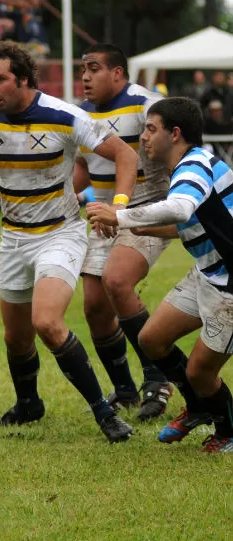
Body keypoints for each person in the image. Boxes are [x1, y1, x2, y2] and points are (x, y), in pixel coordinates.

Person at [0, 41, 138, 442]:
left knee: (46, 321)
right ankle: (29, 404)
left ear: (23, 79)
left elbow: (126, 156)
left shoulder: (64, 116)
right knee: (16, 337)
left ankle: (104, 414)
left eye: (0, 79)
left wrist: (118, 205)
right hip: (13, 238)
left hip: (59, 233)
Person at [85, 97, 233, 453]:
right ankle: (197, 407)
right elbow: (197, 220)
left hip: (230, 288)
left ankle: (228, 430)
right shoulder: (187, 167)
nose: (144, 138)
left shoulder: (193, 165)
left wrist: (119, 217)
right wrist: (146, 230)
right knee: (151, 339)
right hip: (208, 274)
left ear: (175, 133)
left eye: (151, 129)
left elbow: (180, 208)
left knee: (200, 372)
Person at [74, 43, 175, 421]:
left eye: (94, 68)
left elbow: (176, 143)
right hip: (104, 216)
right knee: (95, 308)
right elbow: (82, 170)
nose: (85, 76)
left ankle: (157, 375)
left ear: (118, 72)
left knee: (117, 280)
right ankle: (126, 389)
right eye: (83, 69)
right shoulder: (80, 114)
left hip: (146, 211)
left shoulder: (146, 104)